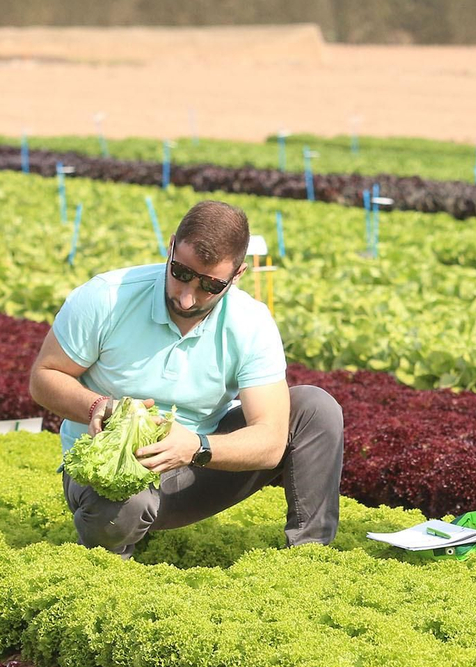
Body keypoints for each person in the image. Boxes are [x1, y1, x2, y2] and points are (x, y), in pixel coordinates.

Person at [28, 199, 343, 558]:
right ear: (171, 246)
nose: (188, 296)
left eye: (210, 285)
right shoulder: (107, 297)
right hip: (109, 468)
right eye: (180, 272)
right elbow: (44, 377)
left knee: (315, 409)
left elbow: (270, 441)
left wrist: (196, 447)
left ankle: (310, 558)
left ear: (237, 275)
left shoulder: (251, 322)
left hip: (196, 466)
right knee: (120, 511)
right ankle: (110, 559)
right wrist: (99, 405)